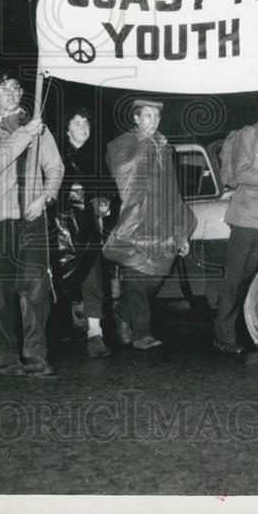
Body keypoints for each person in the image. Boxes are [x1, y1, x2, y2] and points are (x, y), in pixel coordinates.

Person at [0, 71, 64, 377]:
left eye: (14, 87)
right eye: (2, 88)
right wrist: (26, 134)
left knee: (36, 288)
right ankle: (6, 357)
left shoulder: (36, 126)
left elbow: (55, 167)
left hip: (32, 216)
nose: (10, 92)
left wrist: (46, 198)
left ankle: (36, 354)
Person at [103, 99, 196, 351]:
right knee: (135, 275)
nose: (153, 121)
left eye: (156, 116)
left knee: (155, 275)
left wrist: (180, 230)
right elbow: (122, 173)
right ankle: (141, 334)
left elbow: (172, 189)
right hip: (133, 219)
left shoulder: (165, 148)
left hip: (160, 221)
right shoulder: (121, 145)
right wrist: (146, 149)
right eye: (147, 115)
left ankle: (122, 312)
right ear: (136, 118)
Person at [214, 87, 258, 354]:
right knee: (237, 280)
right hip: (249, 219)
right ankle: (223, 336)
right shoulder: (250, 134)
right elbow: (241, 173)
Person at [56, 107, 114, 358]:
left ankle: (95, 333)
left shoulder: (96, 157)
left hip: (89, 227)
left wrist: (106, 202)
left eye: (86, 122)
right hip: (59, 228)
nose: (82, 126)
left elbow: (109, 190)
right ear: (67, 128)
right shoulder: (55, 153)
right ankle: (61, 326)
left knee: (93, 278)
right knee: (60, 281)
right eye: (76, 122)